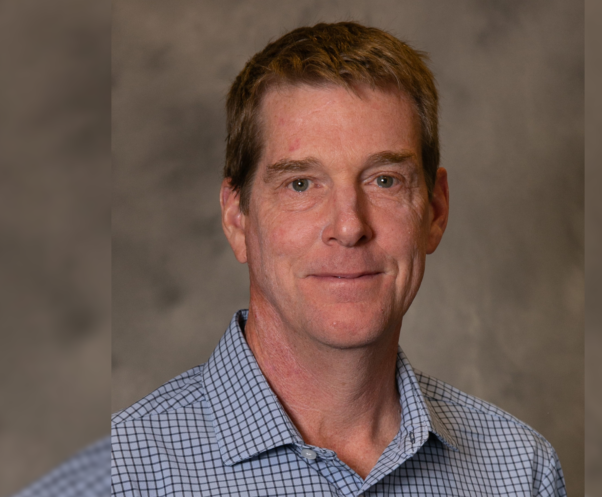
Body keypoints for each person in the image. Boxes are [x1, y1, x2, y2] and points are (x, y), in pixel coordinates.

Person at [111, 22, 567, 496]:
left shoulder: (520, 471)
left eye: (385, 180)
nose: (349, 227)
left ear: (435, 210)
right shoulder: (121, 476)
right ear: (237, 218)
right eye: (301, 184)